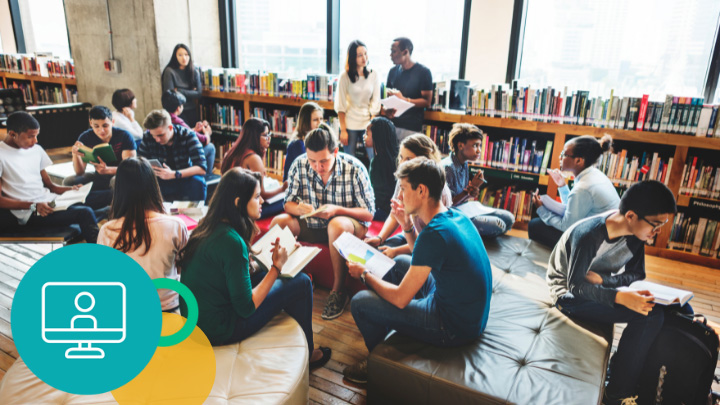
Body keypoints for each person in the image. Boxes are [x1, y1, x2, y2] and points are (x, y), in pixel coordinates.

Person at [343, 157, 492, 384]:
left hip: (452, 326)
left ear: (421, 190)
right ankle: (396, 335)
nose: (399, 196)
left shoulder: (434, 233)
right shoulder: (453, 216)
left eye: (403, 189)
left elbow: (402, 298)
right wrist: (406, 225)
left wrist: (364, 274)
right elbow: (420, 253)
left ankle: (380, 363)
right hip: (468, 314)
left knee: (360, 302)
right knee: (400, 262)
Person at [546, 180, 686, 405]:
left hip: (597, 285)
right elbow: (576, 286)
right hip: (567, 295)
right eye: (655, 224)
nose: (658, 232)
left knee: (674, 309)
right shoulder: (589, 235)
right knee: (649, 316)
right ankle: (618, 392)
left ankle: (637, 376)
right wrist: (620, 296)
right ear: (631, 216)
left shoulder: (636, 234)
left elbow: (636, 275)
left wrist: (605, 280)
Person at [178, 167, 332, 368]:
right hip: (219, 330)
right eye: (257, 197)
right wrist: (276, 268)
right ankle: (309, 355)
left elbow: (234, 273)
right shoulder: (232, 241)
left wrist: (274, 262)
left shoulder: (207, 226)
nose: (262, 202)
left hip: (197, 324)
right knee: (301, 282)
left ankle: (292, 345)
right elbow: (245, 307)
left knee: (281, 276)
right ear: (238, 202)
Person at [271, 126, 375, 320]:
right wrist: (299, 209)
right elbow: (288, 204)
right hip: (311, 225)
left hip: (347, 226)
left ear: (336, 151)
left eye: (324, 161)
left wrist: (336, 210)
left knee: (335, 224)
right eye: (312, 161)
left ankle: (338, 291)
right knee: (279, 222)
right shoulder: (299, 164)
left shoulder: (354, 167)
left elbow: (368, 213)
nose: (318, 167)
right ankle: (283, 281)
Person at [98, 157, 188, 312]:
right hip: (169, 306)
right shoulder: (176, 225)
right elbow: (183, 268)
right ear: (153, 186)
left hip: (128, 308)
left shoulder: (107, 230)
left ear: (118, 190)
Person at [0, 112, 100, 243]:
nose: (36, 141)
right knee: (85, 213)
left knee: (97, 199)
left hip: (50, 201)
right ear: (13, 134)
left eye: (36, 135)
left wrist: (70, 189)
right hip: (30, 212)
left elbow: (51, 186)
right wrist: (33, 206)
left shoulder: (36, 149)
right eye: (31, 136)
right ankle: (103, 255)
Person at [365, 134, 453, 258]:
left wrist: (396, 251)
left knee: (395, 259)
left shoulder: (439, 191)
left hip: (430, 245)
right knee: (380, 250)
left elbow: (430, 243)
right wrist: (380, 238)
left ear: (425, 160)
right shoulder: (405, 178)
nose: (402, 163)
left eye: (408, 159)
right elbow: (395, 214)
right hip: (413, 234)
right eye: (401, 157)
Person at [529, 134, 620, 248]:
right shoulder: (594, 174)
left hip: (594, 245)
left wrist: (541, 210)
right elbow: (574, 208)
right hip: (605, 237)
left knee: (534, 225)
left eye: (564, 154)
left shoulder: (583, 188)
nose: (560, 157)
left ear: (578, 161)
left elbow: (567, 227)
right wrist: (562, 186)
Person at [441, 123, 515, 237]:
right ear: (460, 145)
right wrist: (467, 192)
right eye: (475, 145)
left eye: (480, 146)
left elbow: (464, 197)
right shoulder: (448, 168)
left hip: (466, 208)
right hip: (453, 215)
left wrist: (473, 191)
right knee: (498, 225)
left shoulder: (464, 163)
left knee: (509, 218)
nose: (479, 151)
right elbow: (447, 206)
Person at [66, 106, 137, 207]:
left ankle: (91, 200)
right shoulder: (85, 137)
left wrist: (108, 170)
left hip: (119, 176)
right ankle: (98, 200)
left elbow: (131, 168)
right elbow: (79, 172)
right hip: (99, 176)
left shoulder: (124, 136)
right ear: (91, 123)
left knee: (115, 181)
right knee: (69, 181)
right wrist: (75, 154)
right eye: (96, 126)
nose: (101, 130)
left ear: (112, 122)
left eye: (105, 126)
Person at [220, 117, 288, 218]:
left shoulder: (232, 151)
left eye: (269, 134)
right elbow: (263, 195)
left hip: (227, 204)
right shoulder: (253, 158)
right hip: (243, 209)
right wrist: (282, 188)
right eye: (265, 135)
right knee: (287, 201)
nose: (269, 138)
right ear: (255, 137)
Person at [139, 109, 207, 202]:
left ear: (170, 128)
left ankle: (195, 214)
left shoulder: (188, 135)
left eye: (161, 135)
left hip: (183, 177)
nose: (157, 140)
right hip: (160, 180)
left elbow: (201, 168)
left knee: (198, 182)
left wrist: (174, 174)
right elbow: (139, 163)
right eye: (154, 136)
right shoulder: (147, 136)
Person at [335, 40, 381, 160]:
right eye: (360, 55)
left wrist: (371, 129)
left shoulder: (373, 75)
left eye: (365, 54)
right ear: (352, 58)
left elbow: (375, 103)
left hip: (367, 123)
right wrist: (343, 130)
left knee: (374, 158)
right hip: (350, 124)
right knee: (349, 160)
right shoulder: (344, 76)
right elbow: (340, 105)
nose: (364, 58)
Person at [381, 37, 433, 141]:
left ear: (405, 52)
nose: (390, 55)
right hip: (392, 125)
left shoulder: (423, 72)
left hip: (411, 128)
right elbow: (388, 99)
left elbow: (427, 102)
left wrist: (404, 100)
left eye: (394, 51)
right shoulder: (392, 72)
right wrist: (386, 110)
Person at [161, 89, 216, 179]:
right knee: (210, 147)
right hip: (183, 158)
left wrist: (193, 129)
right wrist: (207, 133)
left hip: (168, 159)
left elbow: (180, 133)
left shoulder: (163, 118)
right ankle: (206, 177)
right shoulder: (177, 120)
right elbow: (204, 140)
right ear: (179, 108)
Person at [364, 117, 399, 221]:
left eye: (367, 133)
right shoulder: (396, 157)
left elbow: (376, 195)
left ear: (377, 137)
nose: (364, 136)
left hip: (383, 212)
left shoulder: (377, 163)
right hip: (392, 210)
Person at [162, 44, 202, 126]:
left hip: (192, 108)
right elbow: (171, 96)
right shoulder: (169, 71)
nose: (184, 58)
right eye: (180, 55)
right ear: (175, 56)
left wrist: (179, 90)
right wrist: (191, 92)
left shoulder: (194, 71)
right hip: (177, 111)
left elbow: (199, 94)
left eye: (186, 55)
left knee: (196, 133)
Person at [283, 102, 323, 181]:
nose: (320, 123)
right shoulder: (298, 144)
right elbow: (307, 172)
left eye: (321, 119)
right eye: (315, 120)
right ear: (306, 122)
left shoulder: (315, 140)